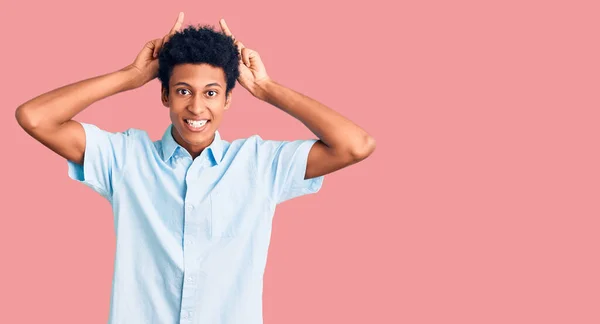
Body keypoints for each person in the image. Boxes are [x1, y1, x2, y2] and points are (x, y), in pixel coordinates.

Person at [15, 12, 375, 324]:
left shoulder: (260, 164)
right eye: (184, 91)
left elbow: (355, 145)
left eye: (211, 92)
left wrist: (266, 88)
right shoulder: (124, 157)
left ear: (229, 98)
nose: (197, 107)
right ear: (165, 96)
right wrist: (131, 76)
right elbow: (34, 118)